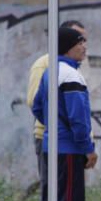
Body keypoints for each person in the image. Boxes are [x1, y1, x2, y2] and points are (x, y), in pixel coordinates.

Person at [32, 26, 98, 201]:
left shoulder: (50, 72)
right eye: (80, 42)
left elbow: (38, 107)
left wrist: (53, 126)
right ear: (67, 46)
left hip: (52, 146)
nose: (84, 46)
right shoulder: (70, 75)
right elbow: (78, 119)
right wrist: (87, 148)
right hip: (69, 150)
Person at [27, 19, 88, 190]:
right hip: (52, 138)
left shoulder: (74, 66)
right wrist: (59, 127)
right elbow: (34, 101)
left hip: (69, 140)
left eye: (84, 39)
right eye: (79, 39)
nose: (83, 44)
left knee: (65, 193)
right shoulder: (45, 64)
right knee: (54, 192)